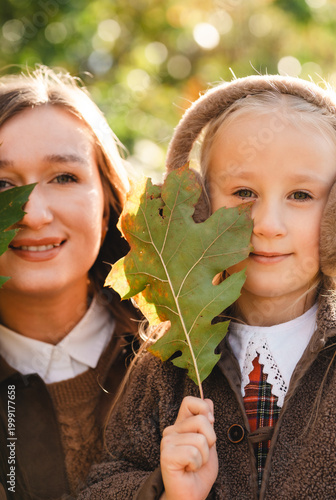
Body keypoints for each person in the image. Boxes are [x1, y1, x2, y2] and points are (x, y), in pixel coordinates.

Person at [79, 75, 336, 499]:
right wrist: (169, 492)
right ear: (200, 207)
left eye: (300, 195)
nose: (268, 225)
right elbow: (105, 483)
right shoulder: (167, 361)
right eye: (243, 192)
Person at [0, 66, 140, 499]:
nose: (34, 214)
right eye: (2, 184)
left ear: (107, 203)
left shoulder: (184, 357)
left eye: (64, 177)